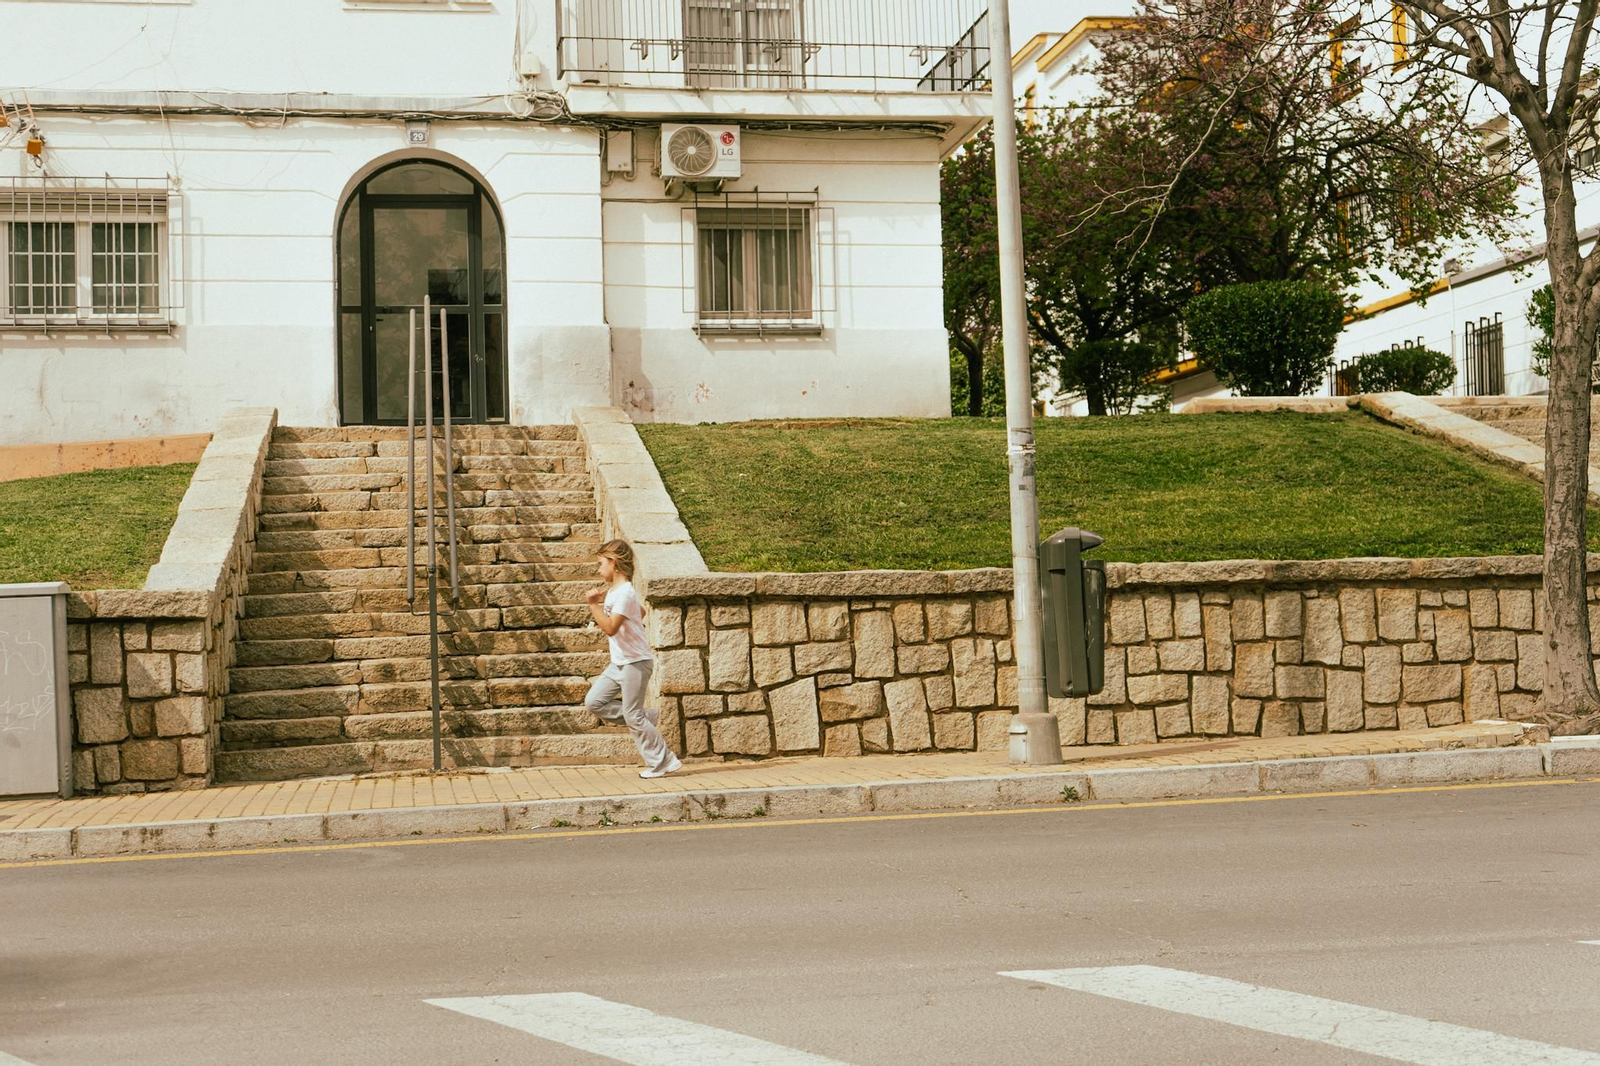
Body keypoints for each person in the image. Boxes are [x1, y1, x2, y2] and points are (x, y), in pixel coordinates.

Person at [583, 539, 682, 779]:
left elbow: (610, 628)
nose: (598, 569)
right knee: (594, 702)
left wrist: (593, 605)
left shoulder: (624, 592)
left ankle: (664, 761)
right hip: (619, 662)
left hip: (635, 662)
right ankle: (646, 717)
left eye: (600, 564)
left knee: (631, 714)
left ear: (613, 563)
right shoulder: (618, 592)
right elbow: (641, 611)